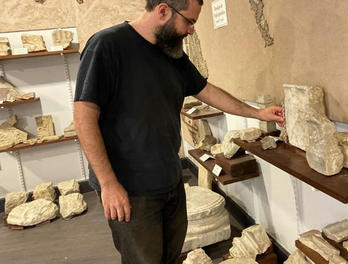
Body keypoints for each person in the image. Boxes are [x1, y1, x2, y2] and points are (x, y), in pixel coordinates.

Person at [73, 0, 284, 263]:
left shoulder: (171, 53)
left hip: (170, 181)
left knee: (170, 257)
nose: (192, 30)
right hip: (131, 190)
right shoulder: (106, 45)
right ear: (163, 11)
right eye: (190, 21)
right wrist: (108, 184)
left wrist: (257, 113)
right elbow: (84, 118)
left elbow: (206, 90)